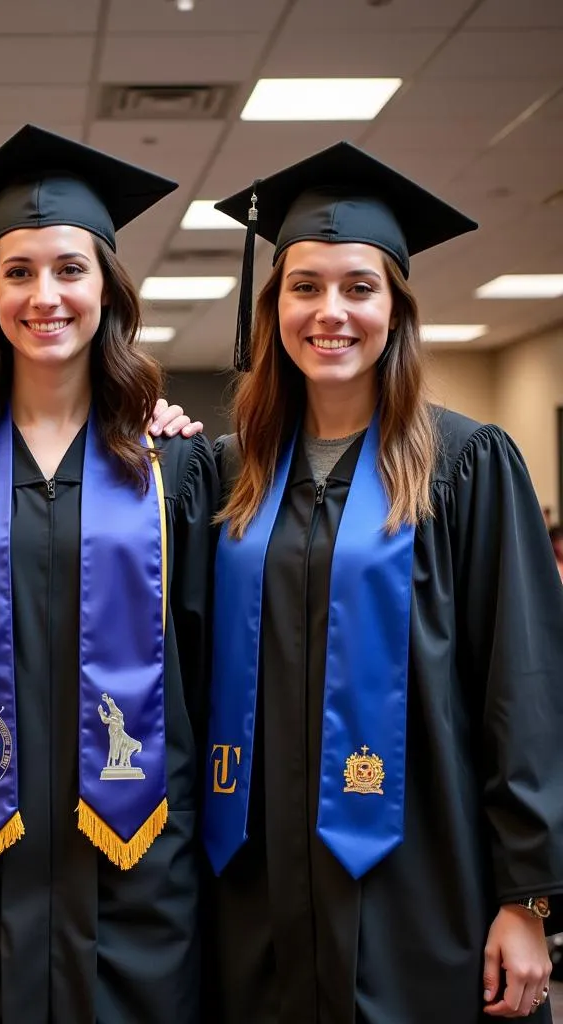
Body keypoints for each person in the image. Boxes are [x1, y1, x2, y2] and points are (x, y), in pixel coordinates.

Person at [202, 142, 563, 1023]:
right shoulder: (227, 476)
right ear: (273, 306)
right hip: (257, 885)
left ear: (397, 308)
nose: (332, 312)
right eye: (305, 287)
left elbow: (525, 688)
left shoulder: (467, 465)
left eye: (359, 288)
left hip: (424, 879)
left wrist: (529, 899)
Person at [0, 125, 217, 1023]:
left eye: (70, 268)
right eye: (18, 273)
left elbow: (207, 663)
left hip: (133, 879)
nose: (45, 295)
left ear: (107, 288)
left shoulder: (173, 469)